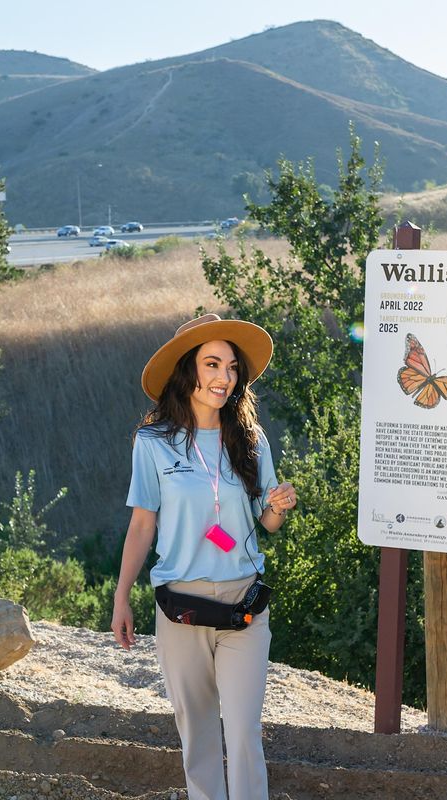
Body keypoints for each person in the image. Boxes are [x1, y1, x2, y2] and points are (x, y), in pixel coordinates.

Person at [111, 314, 298, 800]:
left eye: (232, 367)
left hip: (244, 606)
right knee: (197, 738)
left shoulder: (252, 441)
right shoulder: (152, 443)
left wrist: (277, 506)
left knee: (242, 734)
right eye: (212, 364)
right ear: (186, 372)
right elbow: (142, 525)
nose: (224, 377)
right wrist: (121, 597)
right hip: (181, 609)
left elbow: (266, 523)